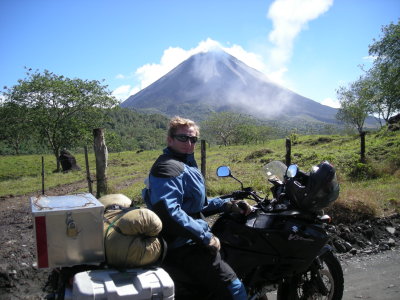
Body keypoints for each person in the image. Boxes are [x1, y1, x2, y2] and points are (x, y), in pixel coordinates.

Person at [143, 116, 250, 300]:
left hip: (189, 237)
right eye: (183, 138)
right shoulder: (167, 168)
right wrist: (205, 236)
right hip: (183, 244)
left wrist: (227, 205)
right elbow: (169, 212)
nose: (189, 143)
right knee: (235, 289)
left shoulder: (184, 163)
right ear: (170, 139)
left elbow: (197, 204)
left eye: (193, 139)